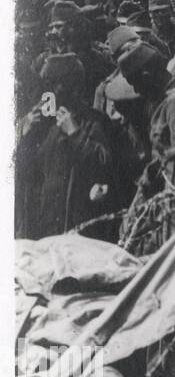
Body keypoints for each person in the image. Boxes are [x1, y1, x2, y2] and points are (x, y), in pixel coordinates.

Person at [16, 55, 135, 240]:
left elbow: (105, 166)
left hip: (77, 231)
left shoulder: (95, 122)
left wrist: (75, 133)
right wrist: (26, 136)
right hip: (42, 230)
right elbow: (24, 173)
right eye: (45, 84)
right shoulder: (40, 122)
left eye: (53, 84)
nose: (46, 92)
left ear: (75, 88)